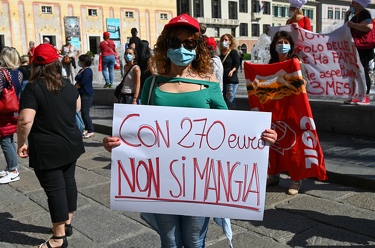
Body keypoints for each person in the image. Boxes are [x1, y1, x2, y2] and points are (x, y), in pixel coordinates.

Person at [103, 14, 277, 248]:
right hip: (161, 180)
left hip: (200, 182)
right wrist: (117, 141)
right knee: (170, 241)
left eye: (189, 43)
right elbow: (138, 128)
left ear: (197, 47)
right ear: (166, 46)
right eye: (175, 43)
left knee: (195, 242)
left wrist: (261, 137)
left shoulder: (209, 83)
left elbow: (230, 130)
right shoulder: (152, 84)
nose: (182, 48)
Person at [17, 43, 85, 248]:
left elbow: (25, 121)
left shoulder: (33, 87)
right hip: (71, 143)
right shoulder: (67, 84)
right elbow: (78, 107)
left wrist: (21, 143)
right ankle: (67, 223)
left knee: (55, 189)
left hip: (48, 148)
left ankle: (58, 238)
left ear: (34, 64)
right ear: (56, 62)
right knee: (68, 182)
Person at [267, 30, 307, 195]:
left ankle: (296, 179)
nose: (282, 45)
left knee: (293, 144)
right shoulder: (270, 63)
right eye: (279, 42)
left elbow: (303, 83)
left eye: (285, 42)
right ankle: (273, 175)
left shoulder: (296, 62)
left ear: (290, 46)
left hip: (292, 109)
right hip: (275, 109)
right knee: (273, 143)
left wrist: (297, 70)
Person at [0, 47, 22, 184]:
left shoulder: (2, 73)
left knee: (4, 139)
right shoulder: (18, 73)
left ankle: (13, 170)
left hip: (2, 110)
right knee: (9, 138)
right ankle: (11, 167)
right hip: (14, 107)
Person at [344, 0, 373, 105]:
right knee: (355, 72)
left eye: (353, 3)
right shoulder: (355, 16)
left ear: (358, 4)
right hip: (356, 47)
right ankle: (356, 95)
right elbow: (346, 28)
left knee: (363, 71)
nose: (351, 5)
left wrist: (353, 25)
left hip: (363, 48)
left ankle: (365, 96)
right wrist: (346, 17)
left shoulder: (365, 13)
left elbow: (369, 27)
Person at [75, 54, 95, 138]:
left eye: (80, 61)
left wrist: (77, 85)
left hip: (87, 93)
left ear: (84, 62)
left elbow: (84, 81)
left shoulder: (88, 70)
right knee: (82, 112)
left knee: (85, 112)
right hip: (80, 93)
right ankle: (86, 128)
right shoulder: (81, 70)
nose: (79, 62)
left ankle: (91, 130)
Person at [219, 34, 240, 109]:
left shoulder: (233, 52)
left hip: (231, 80)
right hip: (223, 80)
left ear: (230, 42)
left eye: (226, 40)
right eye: (222, 40)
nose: (224, 41)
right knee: (223, 99)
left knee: (230, 99)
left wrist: (232, 71)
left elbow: (237, 64)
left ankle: (232, 114)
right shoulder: (220, 54)